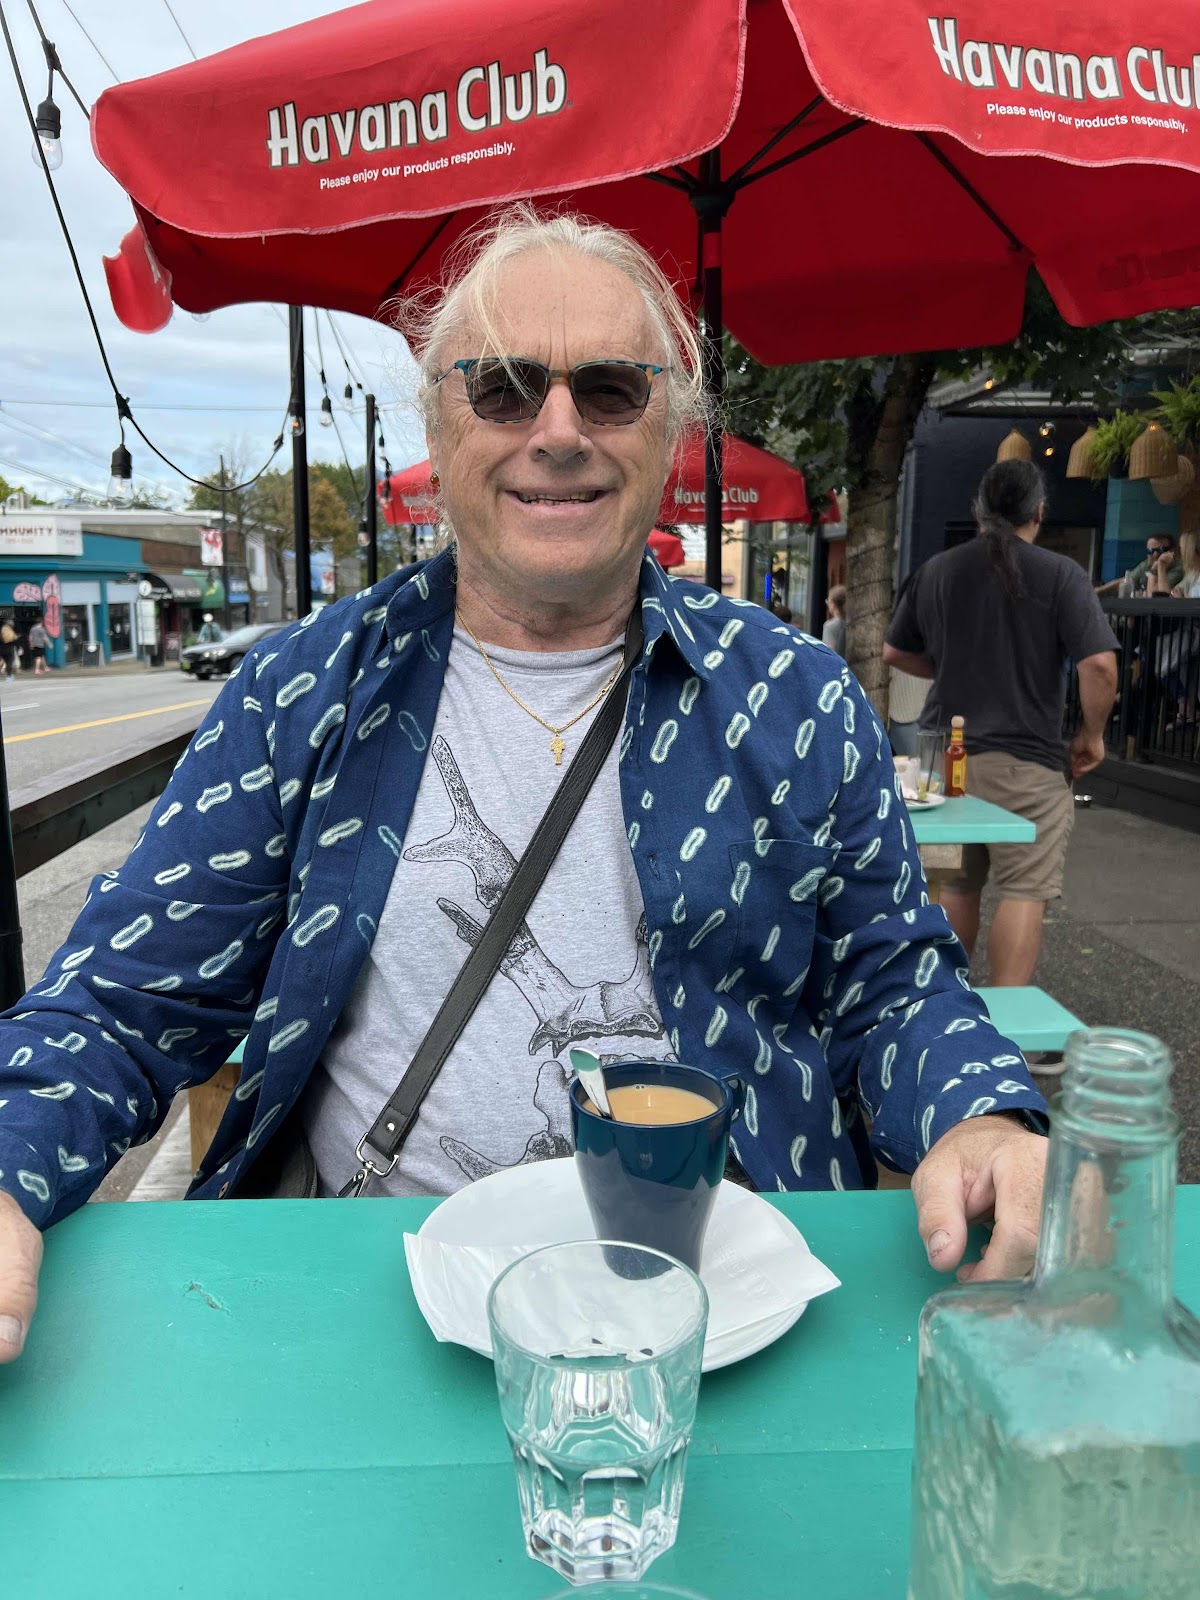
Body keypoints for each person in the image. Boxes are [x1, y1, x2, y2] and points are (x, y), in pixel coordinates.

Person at [0, 206, 1050, 1364]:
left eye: (610, 389)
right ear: (437, 421)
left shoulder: (795, 696)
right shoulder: (302, 692)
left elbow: (893, 983)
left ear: (671, 429)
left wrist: (980, 1111)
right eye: (502, 388)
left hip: (733, 1317)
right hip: (379, 1310)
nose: (558, 432)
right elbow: (120, 998)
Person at [884, 460, 1119, 988]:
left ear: (979, 512)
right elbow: (1100, 666)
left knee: (955, 885)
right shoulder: (1062, 574)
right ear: (1039, 512)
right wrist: (1092, 736)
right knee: (1024, 889)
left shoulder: (937, 570)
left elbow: (894, 651)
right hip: (1026, 761)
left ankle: (947, 1009)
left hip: (942, 761)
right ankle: (1007, 1025)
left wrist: (947, 667)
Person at [1096, 533, 1183, 597]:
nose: (1155, 554)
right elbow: (1128, 580)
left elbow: (1158, 595)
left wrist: (1158, 568)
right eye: (1150, 551)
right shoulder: (1147, 563)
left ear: (1172, 550)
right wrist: (1100, 590)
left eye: (1161, 550)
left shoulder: (1179, 568)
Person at [821, 584, 847, 656]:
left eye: (828, 601)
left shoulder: (830, 626)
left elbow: (829, 653)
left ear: (832, 604)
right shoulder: (852, 622)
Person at [0, 615, 16, 680]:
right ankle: (9, 676)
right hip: (9, 649)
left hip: (2, 649)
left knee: (6, 662)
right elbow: (12, 639)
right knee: (9, 663)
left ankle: (9, 676)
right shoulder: (10, 631)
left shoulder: (2, 630)